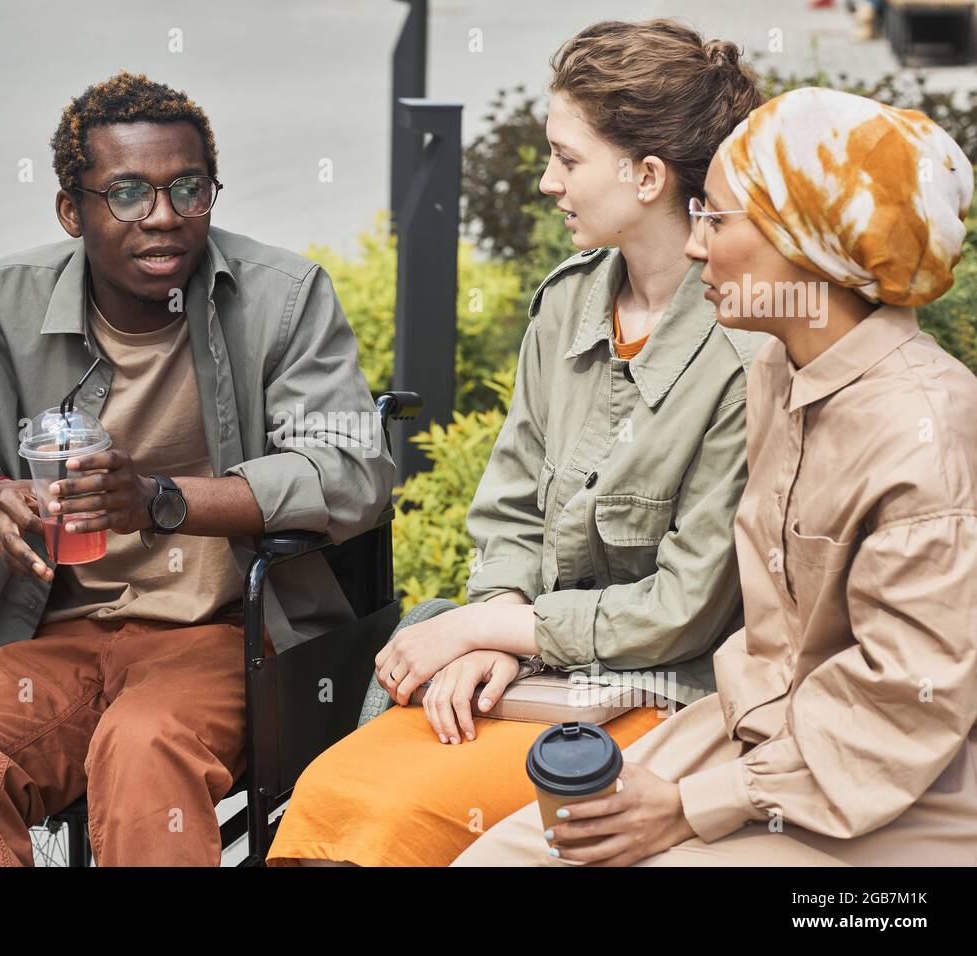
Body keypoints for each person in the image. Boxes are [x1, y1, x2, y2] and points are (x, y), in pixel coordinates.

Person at [267, 19, 767, 867]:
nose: (546, 182)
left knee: (390, 819)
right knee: (329, 799)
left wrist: (496, 634)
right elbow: (509, 514)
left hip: (664, 695)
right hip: (534, 668)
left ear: (646, 176)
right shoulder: (566, 304)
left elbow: (685, 611)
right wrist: (495, 624)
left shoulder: (745, 356)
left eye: (568, 159)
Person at [456, 87, 977, 867]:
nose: (696, 245)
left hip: (888, 790)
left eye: (718, 220)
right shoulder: (778, 370)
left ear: (807, 246)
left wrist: (696, 806)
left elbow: (901, 708)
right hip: (749, 735)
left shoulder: (922, 436)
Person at [0, 71, 394, 866]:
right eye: (127, 193)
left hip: (224, 633)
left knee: (144, 748)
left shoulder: (283, 298)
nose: (163, 217)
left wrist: (160, 500)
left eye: (187, 189)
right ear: (71, 209)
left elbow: (353, 472)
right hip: (50, 632)